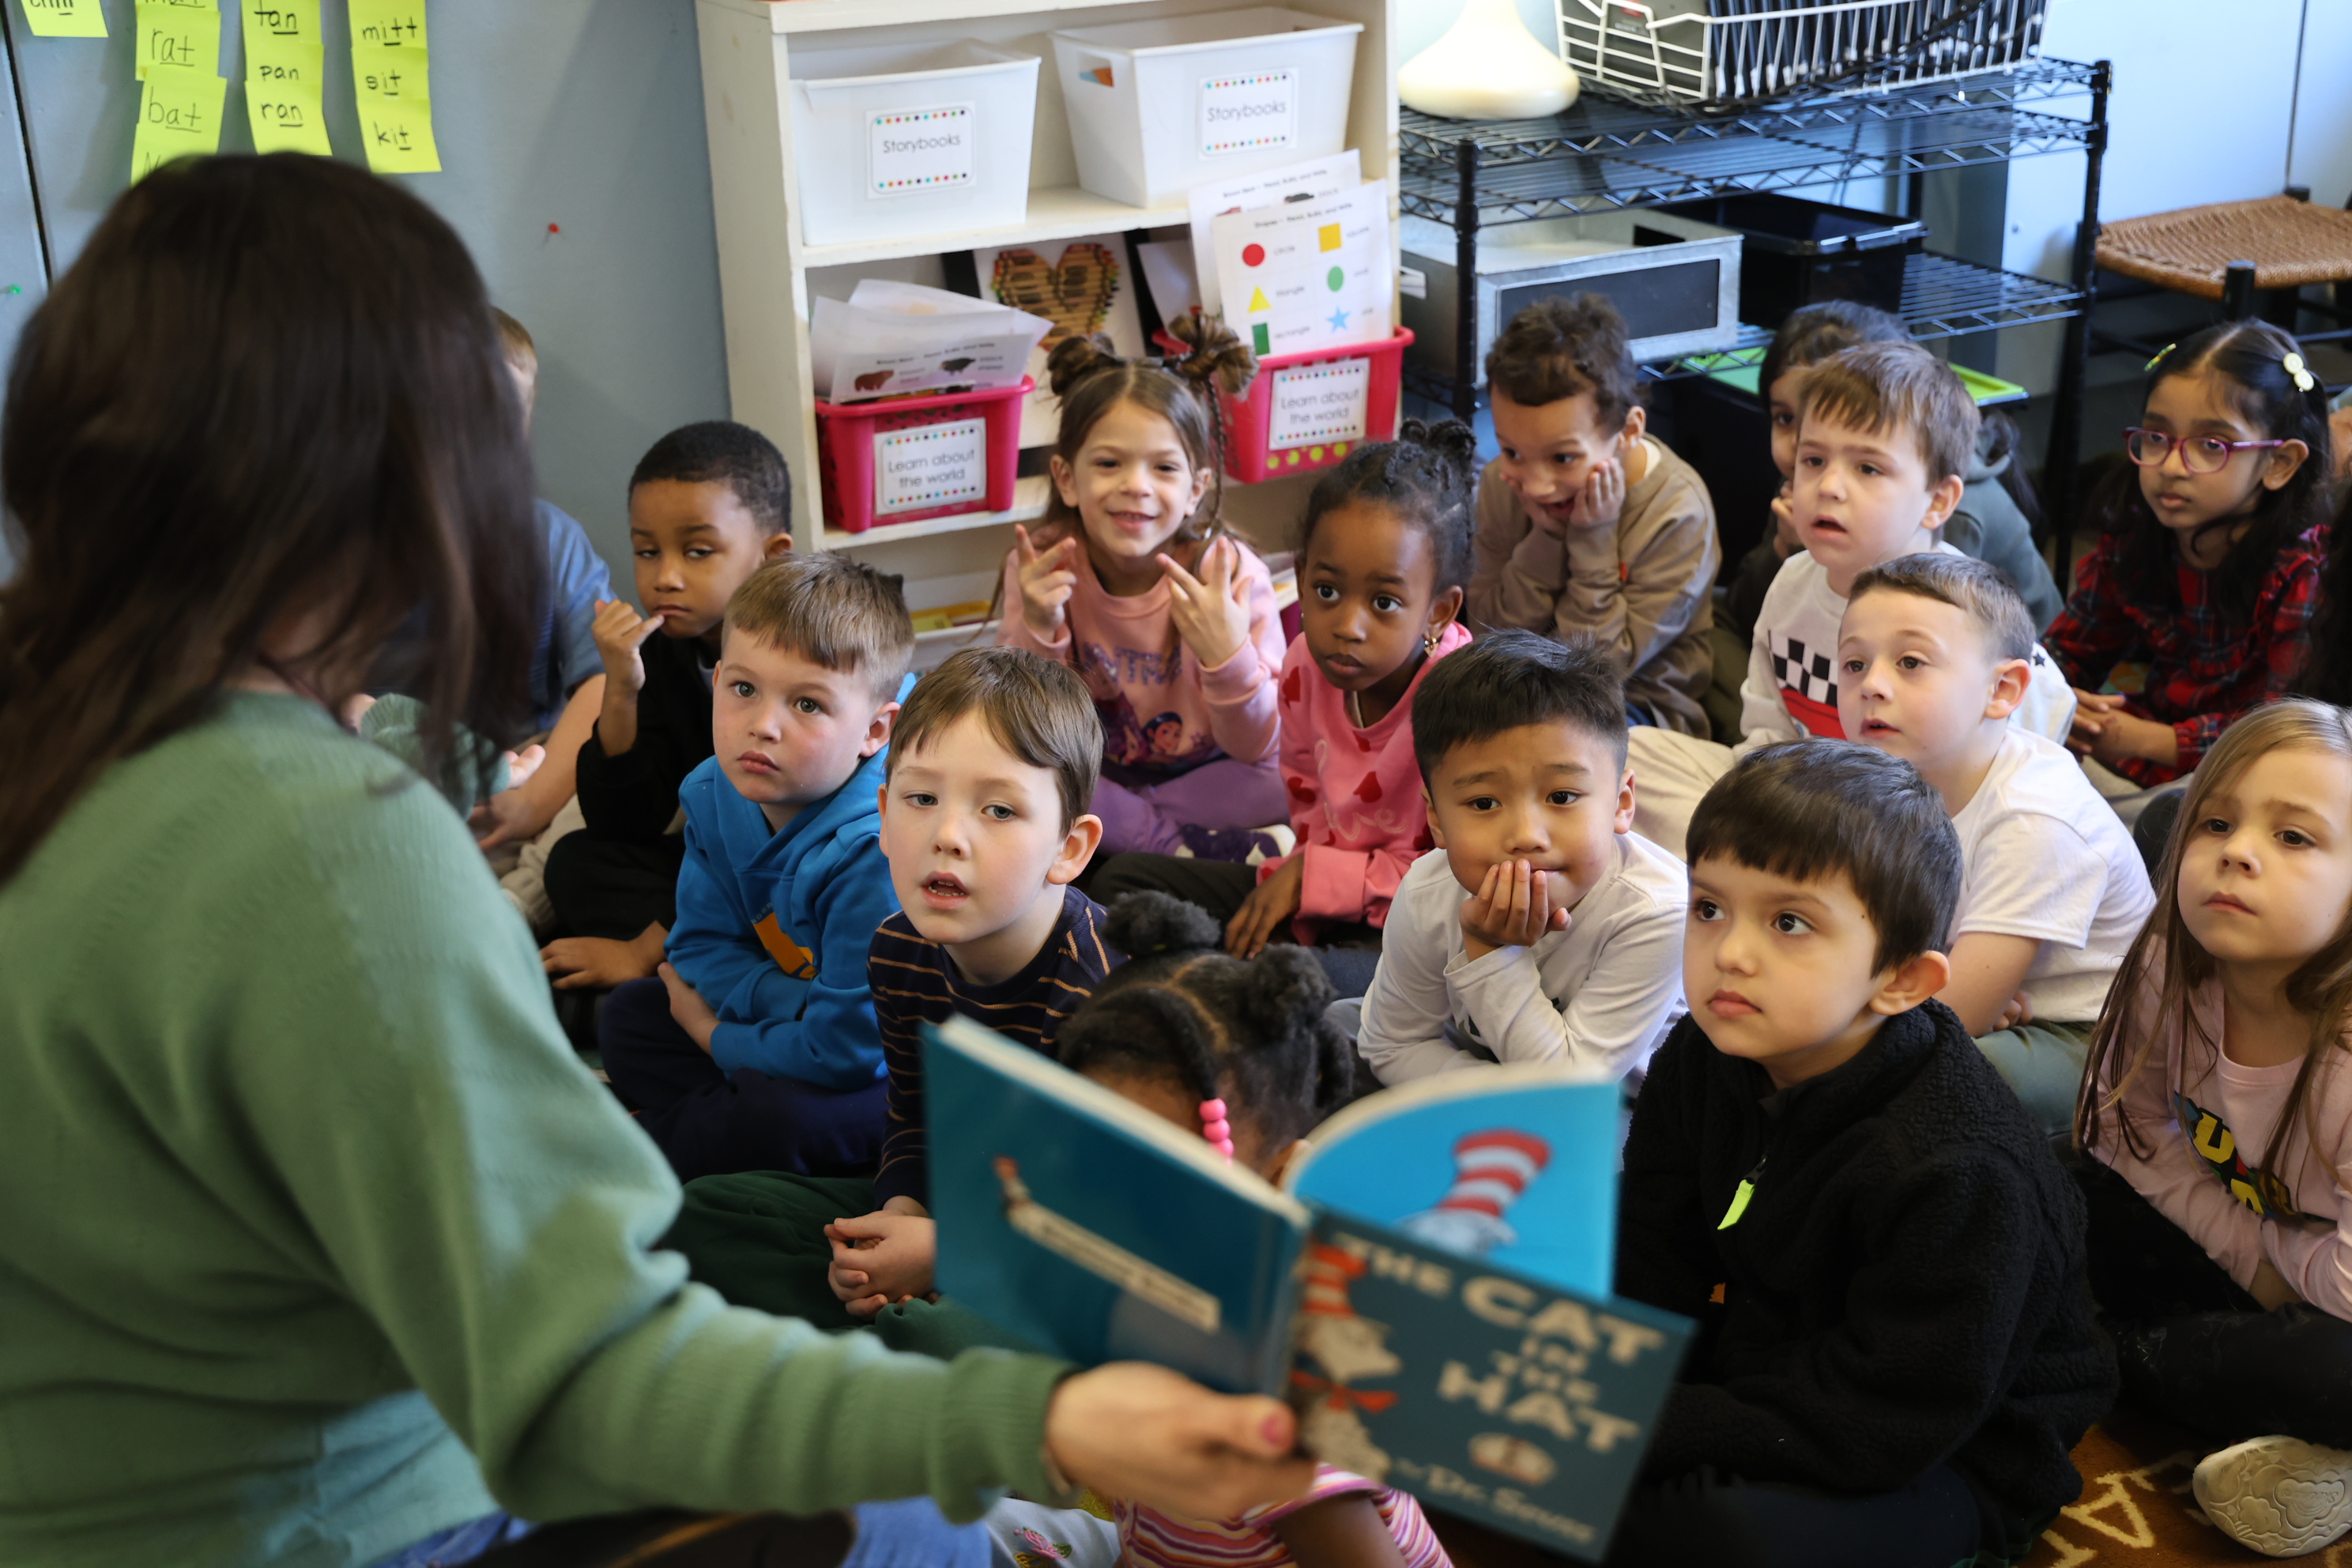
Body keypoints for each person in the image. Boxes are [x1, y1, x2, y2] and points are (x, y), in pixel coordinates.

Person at [0, 152, 1310, 1568]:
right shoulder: (329, 851)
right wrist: (1039, 1414)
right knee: (927, 1527)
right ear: (398, 485)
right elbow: (590, 1379)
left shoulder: (60, 730)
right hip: (343, 1520)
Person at [1611, 741, 2112, 1568]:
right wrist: (1598, 1372)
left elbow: (1886, 1419)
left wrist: (1647, 1424)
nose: (1730, 951)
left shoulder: (1958, 1169)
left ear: (1904, 982)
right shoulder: (1706, 1052)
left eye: (1790, 922)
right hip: (1778, 1352)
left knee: (1715, 1535)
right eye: (1709, 907)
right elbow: (1653, 1248)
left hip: (1951, 1446)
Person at [664, 646, 1121, 1332]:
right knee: (707, 1214)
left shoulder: (1108, 994)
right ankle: (889, 1324)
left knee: (971, 1328)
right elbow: (911, 1121)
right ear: (883, 812)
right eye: (921, 798)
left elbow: (1114, 1219)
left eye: (998, 810)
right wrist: (900, 1210)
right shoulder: (898, 949)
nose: (947, 835)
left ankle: (908, 1341)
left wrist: (948, 1253)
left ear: (1070, 849)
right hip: (961, 1201)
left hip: (1070, 1246)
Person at [1052, 894, 1452, 1568]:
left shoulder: (1281, 1412)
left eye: (1171, 1181)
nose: (1118, 1211)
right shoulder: (1129, 1306)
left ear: (1281, 1184)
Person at [2072, 700, 2352, 1559]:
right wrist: (2251, 1253)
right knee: (2036, 1177)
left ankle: (2092, 1354)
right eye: (2217, 822)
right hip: (2260, 1262)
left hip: (2332, 1304)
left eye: (2296, 838)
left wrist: (2271, 1271)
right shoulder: (2172, 958)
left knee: (2337, 1374)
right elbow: (2121, 1128)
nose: (2237, 849)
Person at [1626, 341, 2075, 857]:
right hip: (1812, 807)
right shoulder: (1794, 581)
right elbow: (1767, 737)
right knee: (1628, 756)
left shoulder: (1964, 608)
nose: (1829, 486)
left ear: (1938, 500)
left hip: (1922, 837)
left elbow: (2042, 725)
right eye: (1813, 459)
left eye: (1868, 468)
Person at [1090, 420, 1476, 989]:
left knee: (1292, 984)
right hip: (1319, 895)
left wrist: (1311, 883)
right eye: (1326, 591)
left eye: (1385, 602)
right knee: (1119, 887)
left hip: (1424, 930)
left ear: (1440, 612)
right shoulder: (1304, 666)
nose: (1347, 625)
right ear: (1299, 575)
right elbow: (1308, 808)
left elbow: (1458, 878)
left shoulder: (1465, 703)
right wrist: (1303, 892)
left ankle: (1227, 988)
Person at [597, 553, 914, 1182]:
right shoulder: (714, 792)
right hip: (794, 1026)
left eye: (808, 705)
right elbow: (697, 948)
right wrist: (788, 1002)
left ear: (875, 730)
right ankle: (714, 1125)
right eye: (744, 690)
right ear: (717, 684)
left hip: (894, 1071)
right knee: (629, 1017)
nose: (763, 726)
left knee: (778, 1118)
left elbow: (846, 1053)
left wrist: (714, 1035)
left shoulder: (875, 849)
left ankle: (648, 1151)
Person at [1836, 553, 2154, 1131]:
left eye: (1910, 662)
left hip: (2098, 1044)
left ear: (2003, 690)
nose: (1872, 686)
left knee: (1924, 1087)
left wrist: (1943, 1000)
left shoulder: (2034, 817)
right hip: (1976, 991)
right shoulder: (1882, 780)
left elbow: (1949, 1017)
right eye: (1855, 663)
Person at [1000, 317, 1286, 862]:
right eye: (1109, 463)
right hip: (1092, 772)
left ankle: (1135, 834)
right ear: (1066, 478)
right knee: (1016, 763)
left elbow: (1258, 747)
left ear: (1196, 489)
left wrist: (1228, 657)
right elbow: (1026, 726)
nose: (1136, 485)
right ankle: (1178, 848)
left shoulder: (1230, 575)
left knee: (1293, 771)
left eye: (1164, 467)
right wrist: (1039, 627)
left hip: (1207, 775)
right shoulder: (1040, 567)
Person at [1349, 630, 1687, 1087]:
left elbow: (1568, 1094)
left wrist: (1491, 951)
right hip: (1492, 1066)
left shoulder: (1657, 912)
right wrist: (1491, 1094)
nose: (1527, 836)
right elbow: (1389, 1044)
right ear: (1437, 820)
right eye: (1485, 804)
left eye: (1562, 796)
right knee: (1341, 1025)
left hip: (1615, 1103)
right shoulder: (1429, 891)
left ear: (1622, 803)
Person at [537, 420, 795, 995]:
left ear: (771, 556)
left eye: (698, 551)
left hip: (793, 867)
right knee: (575, 862)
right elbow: (625, 822)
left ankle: (685, 964)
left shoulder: (804, 654)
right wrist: (622, 688)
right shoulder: (663, 653)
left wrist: (640, 951)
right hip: (711, 867)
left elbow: (774, 832)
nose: (665, 577)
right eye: (647, 552)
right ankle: (700, 956)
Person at [2049, 320, 2333, 799]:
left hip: (2256, 767)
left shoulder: (2302, 570)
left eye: (2211, 446)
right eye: (2157, 437)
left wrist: (2145, 739)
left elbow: (2282, 727)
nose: (2172, 466)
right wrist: (2058, 698)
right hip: (2150, 744)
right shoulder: (2137, 536)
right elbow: (2071, 648)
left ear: (2279, 464)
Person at [1719, 302, 2060, 646]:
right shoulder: (1815, 472)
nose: (1801, 443)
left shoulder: (1936, 513)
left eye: (1867, 467)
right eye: (1785, 419)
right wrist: (1782, 546)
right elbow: (1752, 615)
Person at [1465, 293, 1720, 735]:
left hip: (1637, 710)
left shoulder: (1678, 513)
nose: (1537, 485)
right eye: (1511, 450)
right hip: (1516, 692)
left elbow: (1598, 671)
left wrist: (1593, 539)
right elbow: (1489, 635)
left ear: (1629, 432)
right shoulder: (1501, 485)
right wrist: (1544, 541)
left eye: (1563, 458)